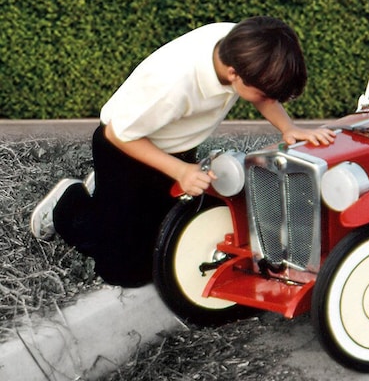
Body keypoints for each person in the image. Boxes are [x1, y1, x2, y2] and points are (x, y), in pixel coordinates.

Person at [30, 16, 335, 287]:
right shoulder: (173, 84)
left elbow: (262, 92)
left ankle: (108, 196)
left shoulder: (243, 46)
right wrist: (180, 171)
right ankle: (68, 205)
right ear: (233, 73)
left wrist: (287, 128)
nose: (270, 99)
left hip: (175, 148)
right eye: (266, 93)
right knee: (123, 271)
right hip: (126, 149)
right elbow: (116, 134)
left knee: (165, 250)